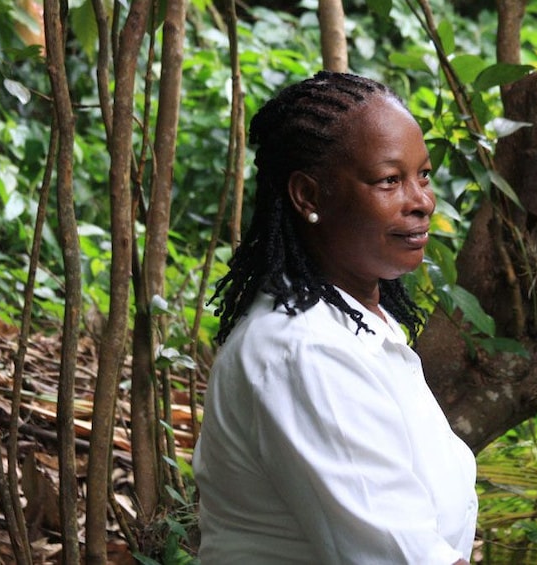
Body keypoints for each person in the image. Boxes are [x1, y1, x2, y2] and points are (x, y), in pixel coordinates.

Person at [192, 71, 478, 564]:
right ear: (308, 196)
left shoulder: (357, 321)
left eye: (423, 175)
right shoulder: (305, 352)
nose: (423, 202)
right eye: (390, 180)